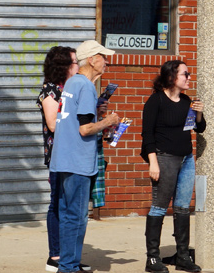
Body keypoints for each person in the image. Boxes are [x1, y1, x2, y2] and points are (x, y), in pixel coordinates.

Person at [50, 40, 120, 273]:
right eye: (103, 57)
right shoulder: (87, 86)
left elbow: (76, 121)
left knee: (68, 215)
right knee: (77, 218)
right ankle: (69, 266)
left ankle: (67, 264)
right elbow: (84, 129)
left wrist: (96, 114)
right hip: (78, 162)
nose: (107, 62)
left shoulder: (72, 82)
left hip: (63, 160)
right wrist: (108, 121)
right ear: (92, 59)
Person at [140, 60, 205, 273]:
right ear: (171, 77)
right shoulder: (155, 101)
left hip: (186, 159)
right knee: (159, 206)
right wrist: (153, 162)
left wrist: (198, 113)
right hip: (164, 159)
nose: (189, 77)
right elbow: (147, 135)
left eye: (188, 74)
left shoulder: (187, 101)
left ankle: (183, 256)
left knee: (183, 207)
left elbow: (199, 127)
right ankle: (152, 259)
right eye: (185, 74)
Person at [37, 46, 94, 272]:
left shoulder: (73, 86)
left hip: (72, 152)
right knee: (58, 204)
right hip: (58, 155)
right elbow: (53, 124)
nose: (78, 65)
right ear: (63, 66)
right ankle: (56, 254)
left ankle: (68, 256)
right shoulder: (50, 90)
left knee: (68, 206)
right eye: (74, 62)